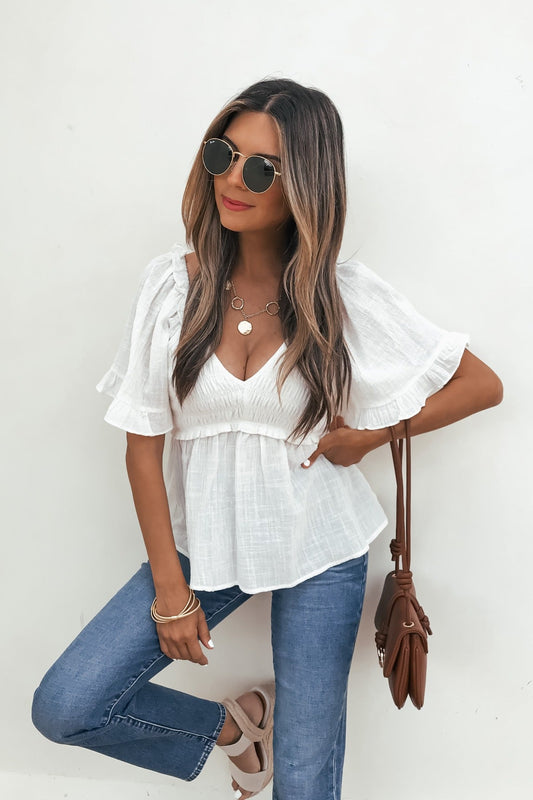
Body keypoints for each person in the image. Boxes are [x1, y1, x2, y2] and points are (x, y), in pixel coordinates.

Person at [31, 78, 503, 800]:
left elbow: (479, 384)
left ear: (306, 184)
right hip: (202, 543)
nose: (232, 181)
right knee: (68, 705)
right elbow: (142, 445)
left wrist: (370, 436)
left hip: (322, 546)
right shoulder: (172, 288)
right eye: (223, 155)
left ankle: (275, 749)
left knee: (305, 780)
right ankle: (237, 730)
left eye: (262, 170)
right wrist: (171, 592)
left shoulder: (341, 295)